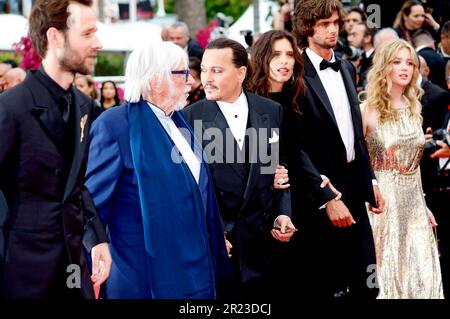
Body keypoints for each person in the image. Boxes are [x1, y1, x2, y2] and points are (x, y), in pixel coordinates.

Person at [85, 41, 230, 299]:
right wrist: (96, 244)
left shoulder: (178, 120)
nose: (190, 81)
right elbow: (91, 201)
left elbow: (198, 186)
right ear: (155, 80)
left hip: (195, 265)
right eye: (182, 74)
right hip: (143, 270)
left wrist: (215, 234)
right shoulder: (116, 125)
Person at [0, 0, 111, 298]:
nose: (98, 43)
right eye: (87, 34)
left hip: (73, 268)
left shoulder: (86, 106)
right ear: (55, 37)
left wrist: (97, 238)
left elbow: (77, 184)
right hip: (21, 270)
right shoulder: (11, 108)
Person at [183, 38, 296, 299]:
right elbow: (188, 188)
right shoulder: (190, 117)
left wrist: (283, 214)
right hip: (222, 247)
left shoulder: (271, 110)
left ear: (241, 73)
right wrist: (213, 231)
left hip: (265, 246)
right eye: (204, 69)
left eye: (217, 70)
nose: (206, 78)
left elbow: (279, 168)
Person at [292, 0, 385, 300]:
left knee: (366, 283)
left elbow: (355, 134)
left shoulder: (345, 66)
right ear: (307, 27)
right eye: (323, 24)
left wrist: (370, 180)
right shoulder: (294, 74)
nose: (333, 30)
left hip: (354, 189)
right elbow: (295, 146)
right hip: (317, 193)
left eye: (335, 23)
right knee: (329, 286)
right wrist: (326, 196)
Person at [360, 39, 443, 298]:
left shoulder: (413, 108)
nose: (404, 68)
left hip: (414, 203)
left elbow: (415, 164)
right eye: (397, 62)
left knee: (423, 276)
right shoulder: (367, 110)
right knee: (387, 276)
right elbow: (356, 161)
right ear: (384, 66)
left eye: (409, 63)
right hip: (381, 204)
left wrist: (424, 203)